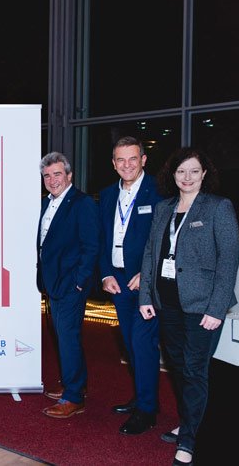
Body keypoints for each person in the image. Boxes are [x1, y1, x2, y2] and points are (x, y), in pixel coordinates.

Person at [139, 147, 239, 466]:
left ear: (204, 174)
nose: (187, 177)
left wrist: (217, 307)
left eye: (194, 171)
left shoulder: (217, 208)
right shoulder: (163, 208)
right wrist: (145, 296)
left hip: (202, 307)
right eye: (181, 171)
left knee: (195, 371)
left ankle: (190, 440)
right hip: (167, 304)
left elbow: (228, 261)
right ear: (173, 174)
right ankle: (191, 421)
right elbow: (151, 255)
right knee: (180, 368)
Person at [98, 136, 163, 435]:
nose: (127, 165)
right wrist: (106, 273)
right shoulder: (108, 194)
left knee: (142, 343)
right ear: (113, 163)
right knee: (129, 342)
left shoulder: (159, 192)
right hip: (118, 282)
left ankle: (147, 410)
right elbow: (102, 239)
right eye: (120, 160)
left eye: (132, 159)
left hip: (145, 282)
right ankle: (141, 396)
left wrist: (147, 274)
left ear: (144, 160)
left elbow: (163, 241)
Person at [36, 152, 99, 419]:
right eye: (47, 176)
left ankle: (73, 397)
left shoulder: (82, 203)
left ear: (69, 175)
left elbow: (91, 246)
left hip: (70, 284)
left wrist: (78, 283)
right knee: (63, 337)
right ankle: (76, 382)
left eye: (57, 174)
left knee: (69, 338)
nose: (52, 180)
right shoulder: (45, 203)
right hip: (51, 283)